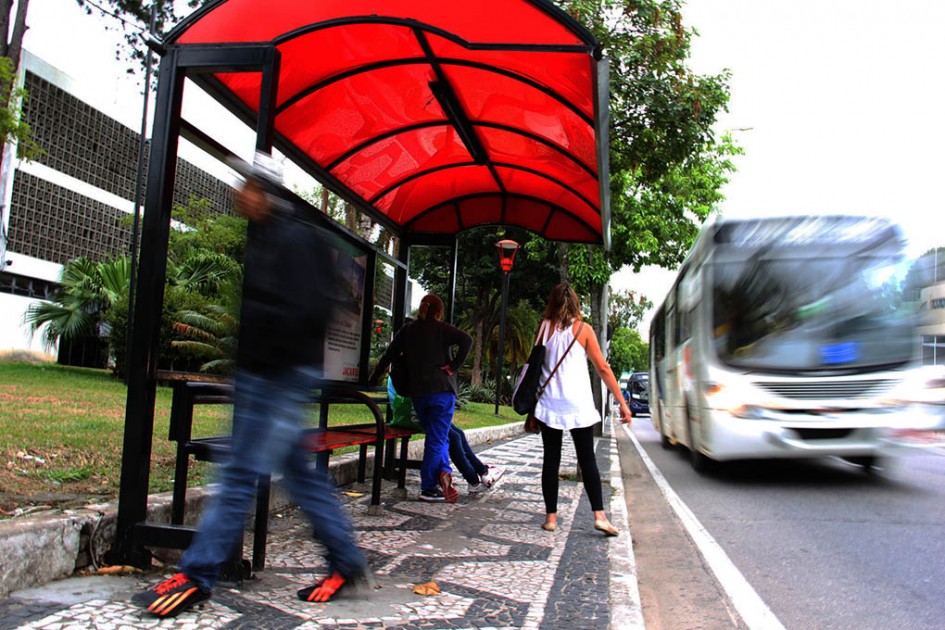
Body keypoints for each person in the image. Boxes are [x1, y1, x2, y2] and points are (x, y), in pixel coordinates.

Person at [134, 152, 370, 618]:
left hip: (275, 378)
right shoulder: (265, 237)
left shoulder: (294, 240)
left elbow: (307, 311)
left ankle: (199, 574)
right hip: (264, 377)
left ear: (262, 191)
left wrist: (265, 358)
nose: (237, 193)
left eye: (244, 185)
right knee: (300, 476)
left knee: (239, 474)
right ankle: (346, 562)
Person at [532, 283, 632, 535]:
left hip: (549, 404)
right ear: (576, 303)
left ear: (552, 303)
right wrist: (621, 401)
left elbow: (534, 366)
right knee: (587, 459)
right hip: (578, 404)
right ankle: (599, 516)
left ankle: (551, 519)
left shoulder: (544, 328)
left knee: (550, 460)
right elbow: (603, 368)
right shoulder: (584, 330)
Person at [369, 295, 472, 502]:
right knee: (436, 439)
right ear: (439, 312)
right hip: (442, 392)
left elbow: (389, 355)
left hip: (418, 394)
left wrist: (373, 378)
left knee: (437, 437)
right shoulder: (442, 329)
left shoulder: (408, 330)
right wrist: (453, 366)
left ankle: (443, 470)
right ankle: (428, 488)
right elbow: (467, 340)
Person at [387, 378, 502, 494]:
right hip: (414, 414)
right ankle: (473, 479)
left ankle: (482, 472)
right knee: (452, 437)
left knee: (458, 433)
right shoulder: (406, 371)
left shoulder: (411, 368)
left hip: (424, 409)